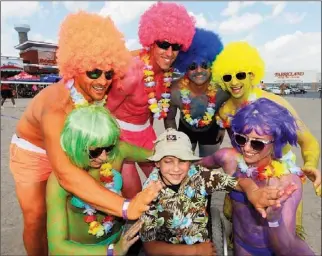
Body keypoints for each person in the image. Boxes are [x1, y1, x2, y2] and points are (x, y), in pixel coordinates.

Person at [9, 11, 161, 256]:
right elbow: (67, 175)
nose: (103, 80)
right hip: (35, 152)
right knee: (37, 216)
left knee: (78, 205)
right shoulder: (58, 106)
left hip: (79, 145)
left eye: (109, 73)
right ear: (74, 67)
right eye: (94, 72)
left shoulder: (97, 93)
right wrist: (125, 208)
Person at [211, 42, 320, 238]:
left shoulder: (275, 103)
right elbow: (239, 147)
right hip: (247, 175)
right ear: (223, 81)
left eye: (240, 75)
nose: (234, 82)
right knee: (242, 227)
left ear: (252, 75)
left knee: (283, 234)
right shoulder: (225, 110)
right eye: (228, 77)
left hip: (280, 175)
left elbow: (308, 140)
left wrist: (310, 164)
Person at [139, 128, 287, 256]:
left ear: (190, 162)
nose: (176, 168)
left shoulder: (199, 175)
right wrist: (195, 251)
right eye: (168, 161)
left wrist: (253, 191)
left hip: (200, 242)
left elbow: (239, 182)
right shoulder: (148, 193)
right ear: (157, 162)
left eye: (183, 160)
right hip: (169, 249)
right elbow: (150, 247)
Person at [200, 98, 315, 255]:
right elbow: (198, 165)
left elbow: (285, 248)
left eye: (257, 143)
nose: (246, 148)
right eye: (241, 138)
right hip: (242, 247)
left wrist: (274, 219)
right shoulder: (228, 159)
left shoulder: (287, 182)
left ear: (276, 143)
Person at [106, 2, 196, 199]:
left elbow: (155, 110)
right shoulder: (131, 72)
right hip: (120, 135)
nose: (170, 53)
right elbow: (105, 112)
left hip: (147, 133)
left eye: (176, 46)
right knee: (134, 194)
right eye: (164, 44)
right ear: (151, 41)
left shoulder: (167, 73)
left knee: (165, 187)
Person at [47, 105, 154, 255]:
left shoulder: (117, 152)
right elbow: (57, 246)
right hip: (85, 251)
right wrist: (112, 252)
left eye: (108, 148)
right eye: (95, 151)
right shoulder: (58, 181)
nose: (104, 157)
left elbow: (155, 155)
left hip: (120, 238)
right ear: (76, 146)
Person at [166, 28, 230, 157]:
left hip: (211, 130)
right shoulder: (175, 90)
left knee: (209, 167)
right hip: (185, 130)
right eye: (192, 66)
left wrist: (222, 128)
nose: (199, 70)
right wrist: (173, 138)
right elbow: (170, 118)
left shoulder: (222, 89)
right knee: (184, 168)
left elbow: (229, 108)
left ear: (212, 66)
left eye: (205, 65)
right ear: (184, 67)